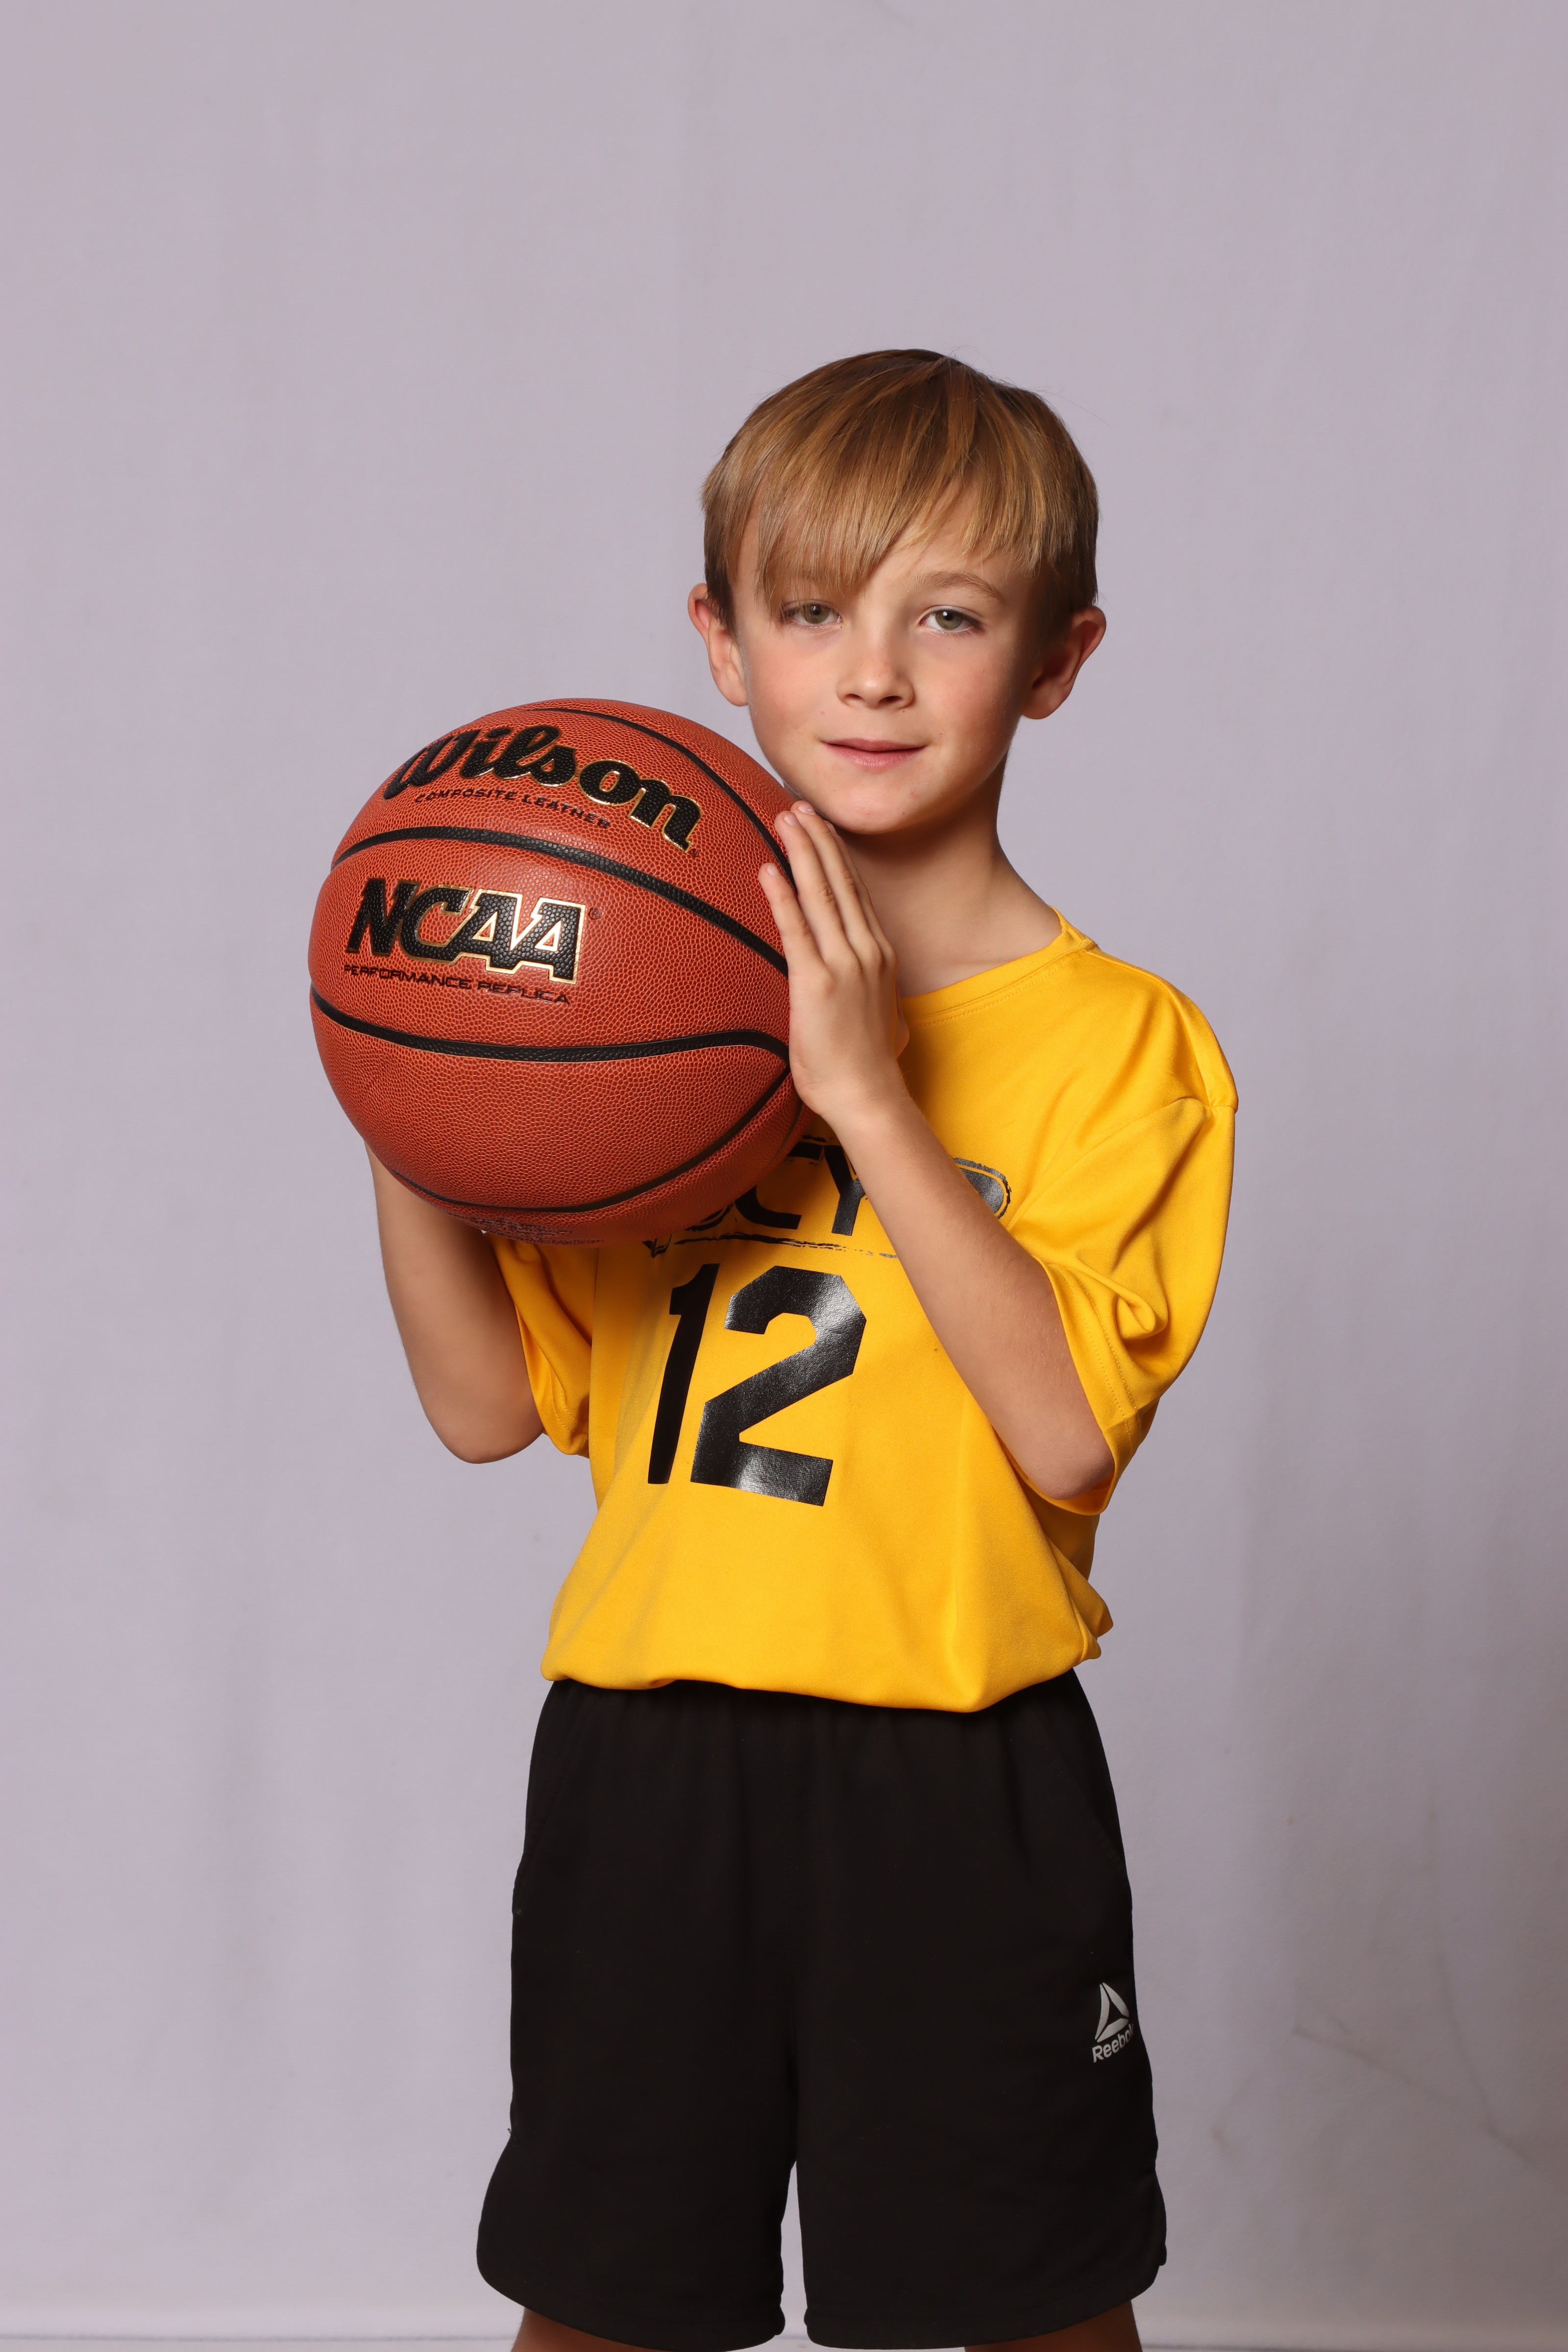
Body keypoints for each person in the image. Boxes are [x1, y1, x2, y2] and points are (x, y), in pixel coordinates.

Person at [367, 351, 1236, 2352]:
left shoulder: (1122, 1045)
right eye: (812, 609)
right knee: (602, 2298)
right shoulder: (629, 1032)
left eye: (950, 617)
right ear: (720, 646)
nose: (872, 675)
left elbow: (1065, 1438)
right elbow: (485, 1411)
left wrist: (864, 1095)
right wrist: (411, 1096)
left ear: (1057, 660)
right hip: (646, 1755)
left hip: (956, 1764)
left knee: (1037, 2303)